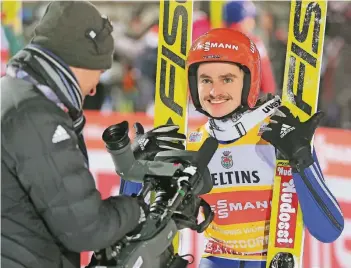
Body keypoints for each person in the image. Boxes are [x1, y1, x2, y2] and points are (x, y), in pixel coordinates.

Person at [121, 28, 344, 268]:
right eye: (205, 80)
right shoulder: (192, 144)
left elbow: (328, 230)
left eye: (227, 79)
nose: (214, 92)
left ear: (249, 82)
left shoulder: (280, 136)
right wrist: (135, 169)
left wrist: (302, 158)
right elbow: (126, 232)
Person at [1, 2, 150, 268]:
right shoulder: (37, 116)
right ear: (79, 61)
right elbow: (85, 228)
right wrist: (139, 208)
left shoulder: (12, 93)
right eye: (99, 71)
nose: (93, 89)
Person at [222, 0, 277, 95]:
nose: (253, 23)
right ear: (244, 19)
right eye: (251, 18)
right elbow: (265, 75)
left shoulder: (213, 39)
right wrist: (270, 96)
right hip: (248, 101)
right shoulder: (253, 42)